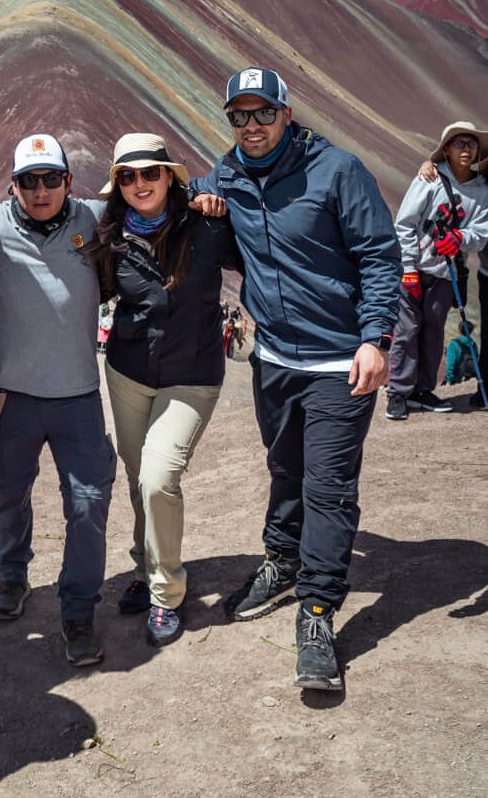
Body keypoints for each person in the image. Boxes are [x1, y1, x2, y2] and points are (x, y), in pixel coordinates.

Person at [193, 67, 401, 692]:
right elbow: (191, 192)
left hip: (341, 361)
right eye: (240, 116)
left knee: (329, 487)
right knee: (284, 468)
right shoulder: (229, 173)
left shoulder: (338, 171)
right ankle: (281, 562)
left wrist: (375, 338)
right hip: (276, 358)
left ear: (287, 114)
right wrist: (197, 200)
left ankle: (317, 612)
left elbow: (378, 254)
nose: (251, 126)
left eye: (263, 114)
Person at [87, 133, 239, 646]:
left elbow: (267, 253)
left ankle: (166, 594)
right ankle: (145, 566)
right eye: (127, 176)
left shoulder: (208, 224)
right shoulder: (109, 236)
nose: (140, 183)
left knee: (157, 477)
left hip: (192, 375)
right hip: (129, 372)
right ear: (117, 186)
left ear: (170, 176)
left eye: (151, 172)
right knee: (137, 478)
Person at [0, 134, 116, 666]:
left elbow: (156, 196)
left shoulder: (94, 218)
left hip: (77, 397)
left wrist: (203, 198)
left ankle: (78, 610)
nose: (41, 191)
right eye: (29, 181)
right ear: (12, 185)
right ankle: (12, 576)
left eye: (51, 179)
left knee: (88, 503)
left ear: (68, 182)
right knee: (8, 493)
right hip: (9, 396)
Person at [406, 127, 488, 411]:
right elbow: (405, 224)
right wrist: (407, 268)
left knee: (432, 330)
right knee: (409, 330)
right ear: (448, 148)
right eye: (460, 143)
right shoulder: (436, 180)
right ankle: (402, 392)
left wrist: (462, 238)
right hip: (429, 268)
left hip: (454, 271)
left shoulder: (481, 185)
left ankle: (422, 391)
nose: (467, 149)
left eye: (471, 144)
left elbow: (480, 230)